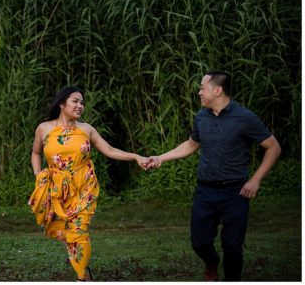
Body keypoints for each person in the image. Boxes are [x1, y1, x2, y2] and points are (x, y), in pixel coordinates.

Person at [142, 70, 281, 281]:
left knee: (233, 246)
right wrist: (161, 157)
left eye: (202, 88)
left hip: (236, 192)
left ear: (218, 90)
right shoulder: (201, 117)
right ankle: (211, 262)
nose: (199, 92)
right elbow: (191, 144)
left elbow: (273, 147)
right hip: (205, 190)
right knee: (199, 242)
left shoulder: (244, 118)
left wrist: (255, 180)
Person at [28, 86, 149, 281]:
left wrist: (136, 157)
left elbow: (109, 150)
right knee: (68, 234)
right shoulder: (44, 128)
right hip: (58, 190)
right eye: (75, 101)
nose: (80, 106)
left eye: (82, 102)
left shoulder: (86, 129)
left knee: (79, 231)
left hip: (84, 187)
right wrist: (38, 176)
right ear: (62, 104)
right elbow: (35, 153)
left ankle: (81, 278)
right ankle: (85, 272)